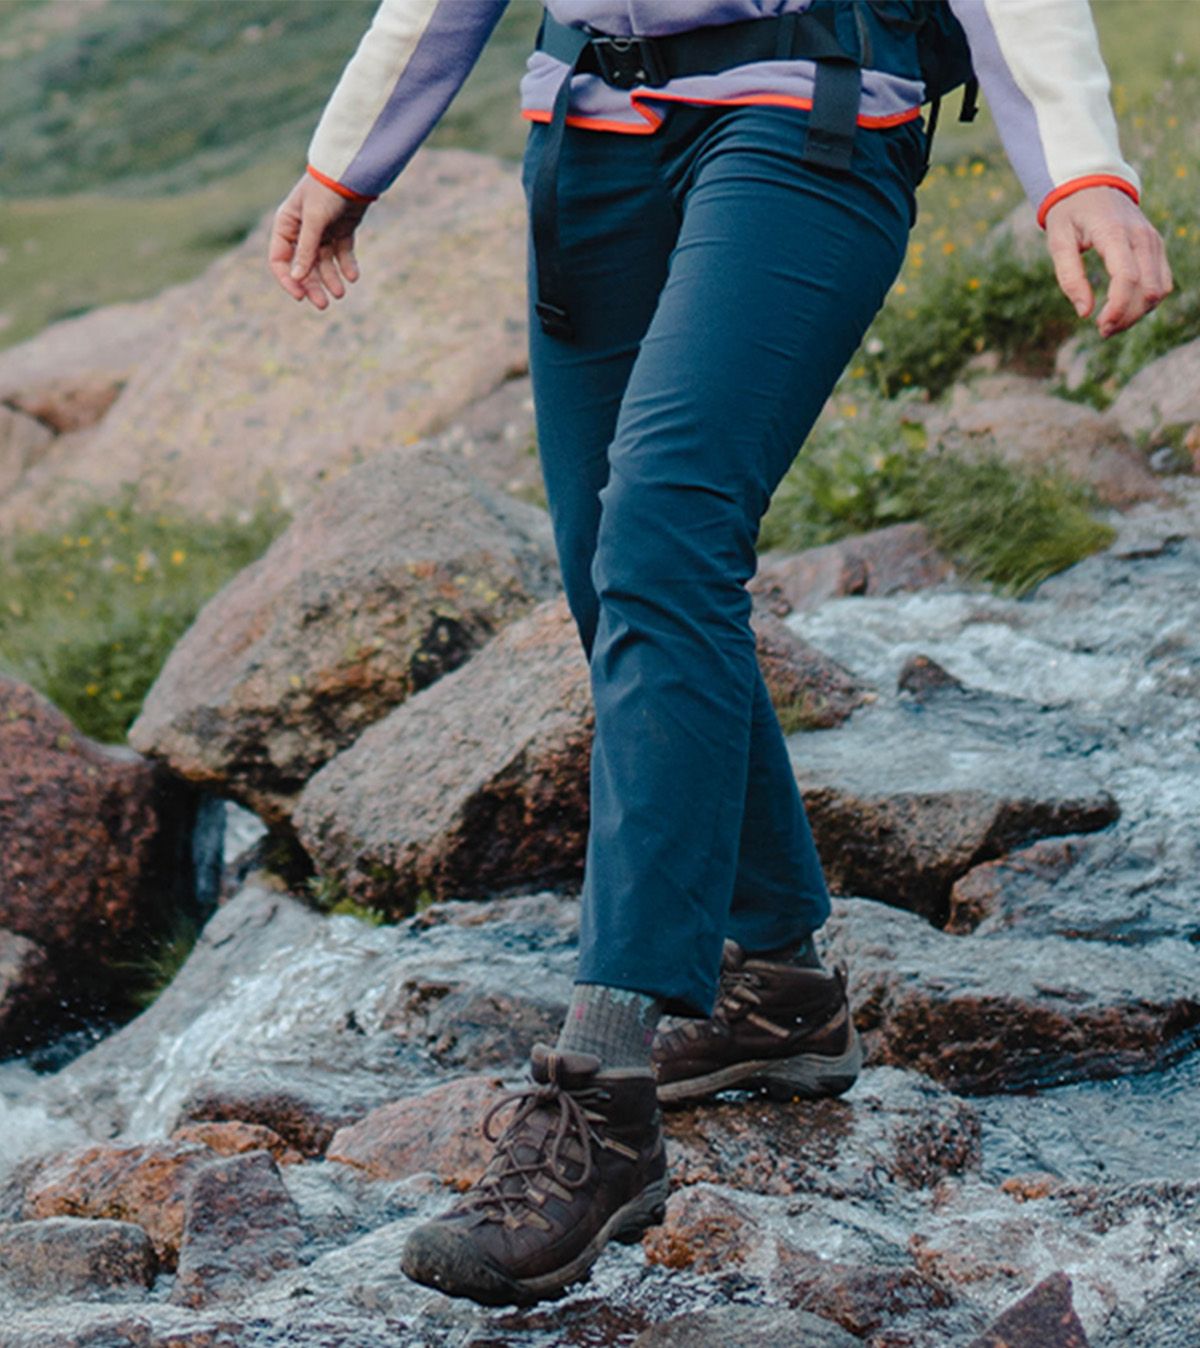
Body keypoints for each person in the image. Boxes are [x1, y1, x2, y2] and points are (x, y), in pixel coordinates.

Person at [268, 0, 1172, 1309]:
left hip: (806, 109)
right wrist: (347, 157)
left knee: (663, 538)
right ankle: (780, 984)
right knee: (608, 568)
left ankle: (605, 1092)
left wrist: (1080, 167)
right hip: (590, 125)